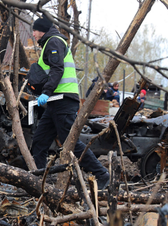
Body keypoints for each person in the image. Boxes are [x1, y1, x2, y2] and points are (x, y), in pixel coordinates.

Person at [29, 17, 110, 189]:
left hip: (63, 101)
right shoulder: (50, 43)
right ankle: (40, 181)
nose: (33, 34)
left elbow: (58, 70)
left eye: (34, 30)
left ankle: (102, 174)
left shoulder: (53, 42)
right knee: (39, 141)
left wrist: (45, 92)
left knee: (70, 142)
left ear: (41, 30)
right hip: (55, 102)